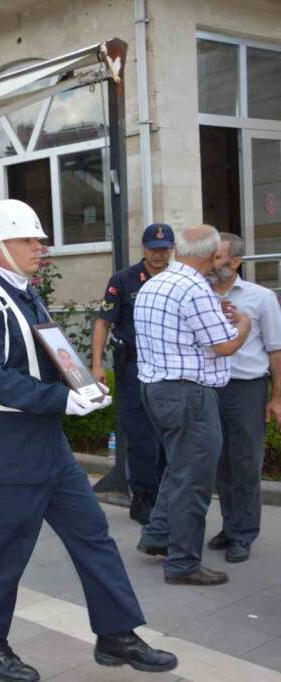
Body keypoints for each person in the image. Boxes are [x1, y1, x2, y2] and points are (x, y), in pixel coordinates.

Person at [0, 200, 176, 680]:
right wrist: (61, 400)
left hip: (45, 444)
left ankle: (116, 633)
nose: (40, 247)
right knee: (4, 551)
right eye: (29, 240)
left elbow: (48, 349)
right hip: (5, 446)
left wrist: (81, 384)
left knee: (93, 535)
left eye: (39, 240)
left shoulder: (24, 294)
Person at [134, 225, 250, 586]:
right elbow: (225, 346)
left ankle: (157, 537)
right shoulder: (194, 288)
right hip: (189, 396)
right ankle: (183, 563)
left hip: (156, 390)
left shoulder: (155, 283)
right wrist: (243, 324)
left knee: (178, 468)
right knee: (193, 481)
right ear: (210, 254)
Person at [205, 233, 281, 563]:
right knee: (219, 459)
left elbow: (276, 348)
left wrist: (276, 396)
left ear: (235, 262)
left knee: (246, 460)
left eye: (217, 257)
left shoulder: (261, 298)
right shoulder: (200, 295)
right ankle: (230, 525)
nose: (211, 263)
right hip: (210, 387)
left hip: (247, 388)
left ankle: (244, 533)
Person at [92, 223, 174, 524]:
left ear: (172, 250)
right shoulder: (123, 280)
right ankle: (142, 496)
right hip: (134, 367)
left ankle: (165, 494)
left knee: (168, 431)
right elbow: (103, 322)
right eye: (153, 248)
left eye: (163, 249)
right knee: (139, 434)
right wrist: (98, 365)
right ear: (143, 247)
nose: (157, 255)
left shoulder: (178, 279)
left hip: (169, 367)